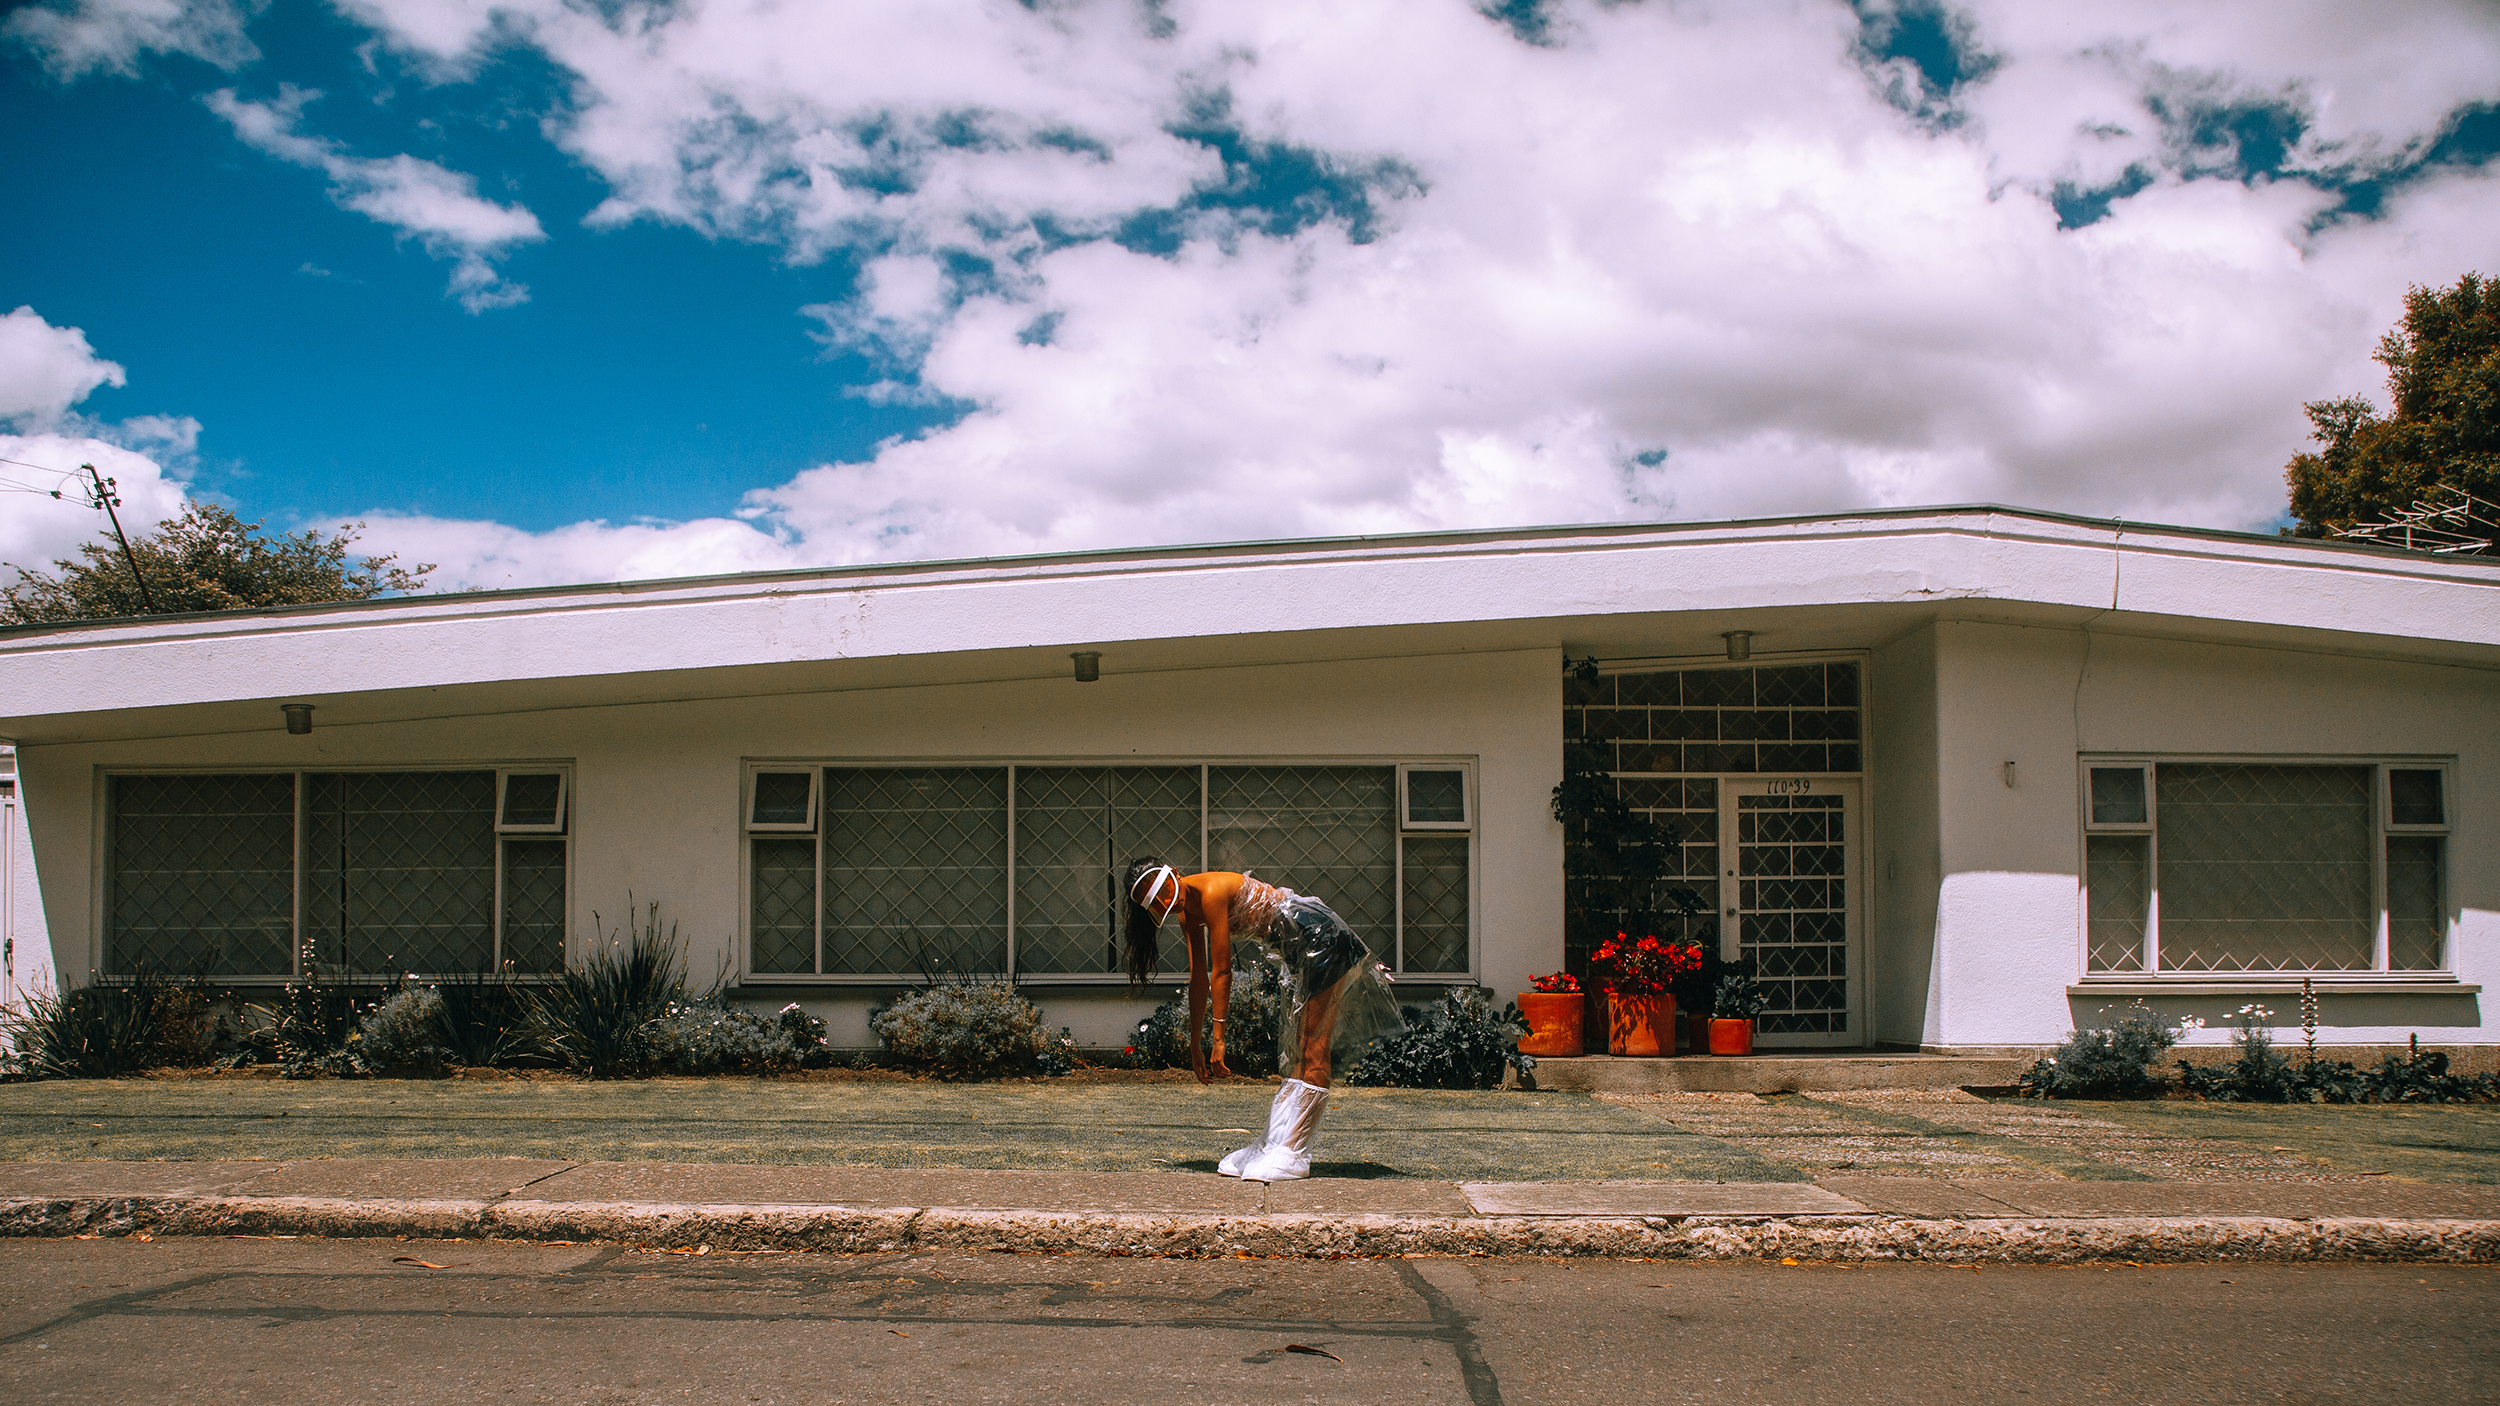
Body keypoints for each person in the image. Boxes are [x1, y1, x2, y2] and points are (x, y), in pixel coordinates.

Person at [1122, 857, 1403, 1181]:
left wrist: (1219, 1039)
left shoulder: (1210, 892)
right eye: (1153, 903)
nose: (1165, 902)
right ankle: (1275, 1144)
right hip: (1298, 947)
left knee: (1312, 1046)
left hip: (1320, 935)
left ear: (1173, 873)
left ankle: (1295, 1152)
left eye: (1163, 890)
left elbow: (1222, 971)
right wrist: (1195, 1044)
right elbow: (1199, 978)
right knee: (1296, 1049)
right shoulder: (1187, 912)